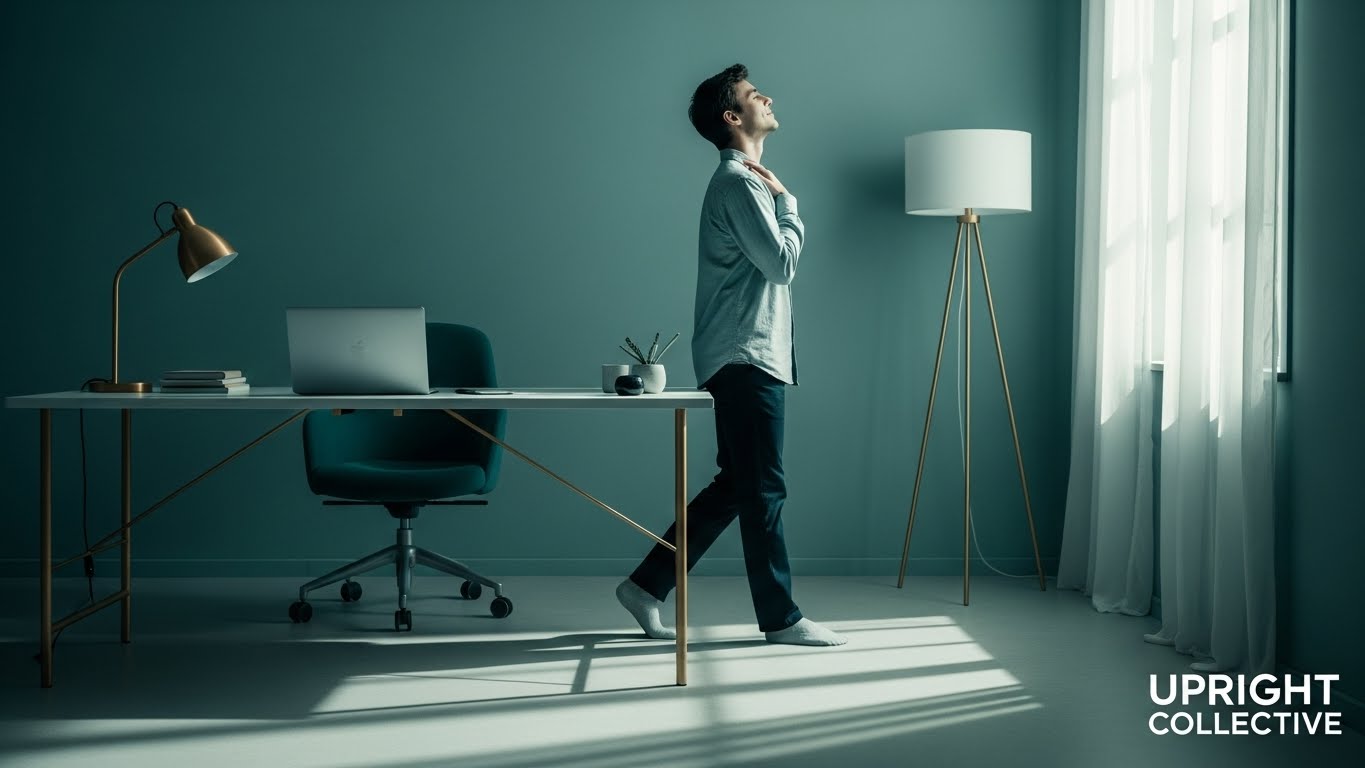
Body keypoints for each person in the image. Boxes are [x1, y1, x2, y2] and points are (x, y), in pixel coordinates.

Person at [615, 63, 847, 647]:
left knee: (738, 484)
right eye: (752, 96)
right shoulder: (743, 184)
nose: (767, 97)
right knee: (763, 488)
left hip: (742, 353)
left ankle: (646, 586)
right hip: (746, 356)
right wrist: (791, 205)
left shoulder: (743, 181)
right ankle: (782, 619)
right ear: (732, 117)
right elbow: (782, 265)